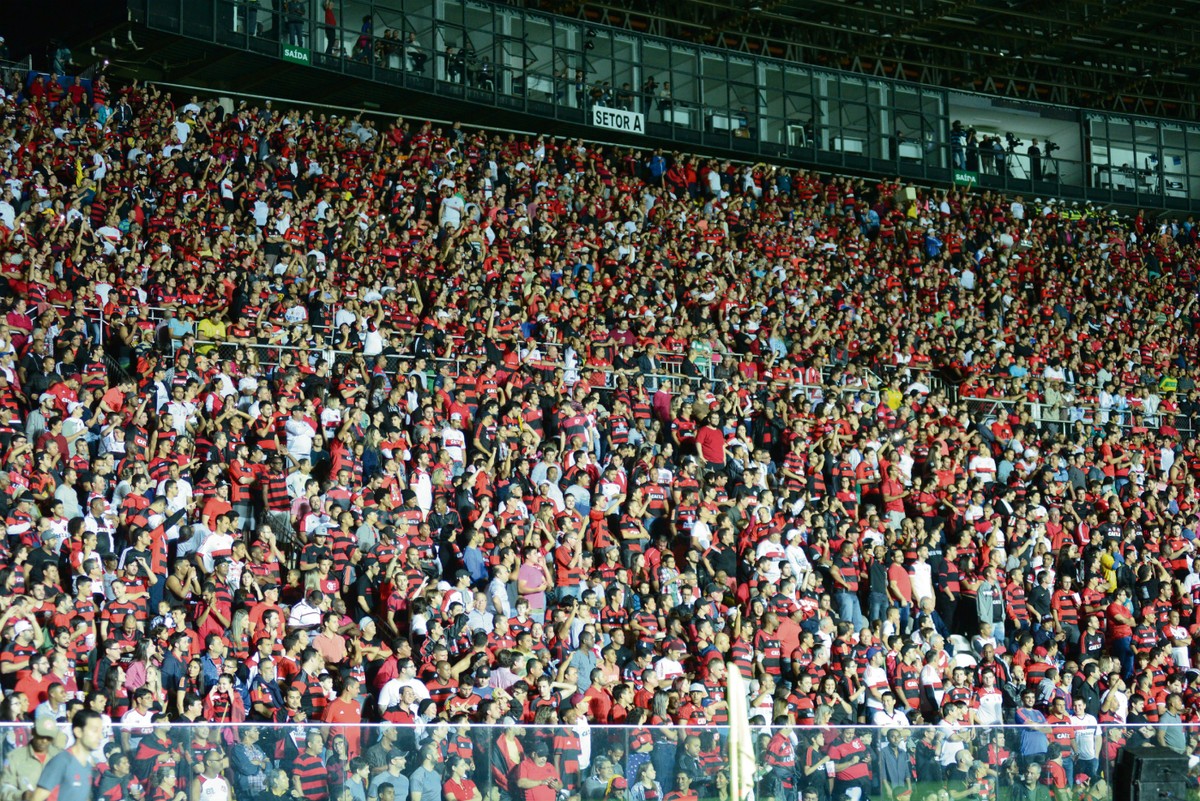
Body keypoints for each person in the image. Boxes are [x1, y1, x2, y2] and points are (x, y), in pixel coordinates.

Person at [32, 710, 103, 801]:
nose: (100, 736)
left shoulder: (87, 766)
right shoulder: (61, 762)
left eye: (101, 731)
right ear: (78, 732)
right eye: (95, 730)